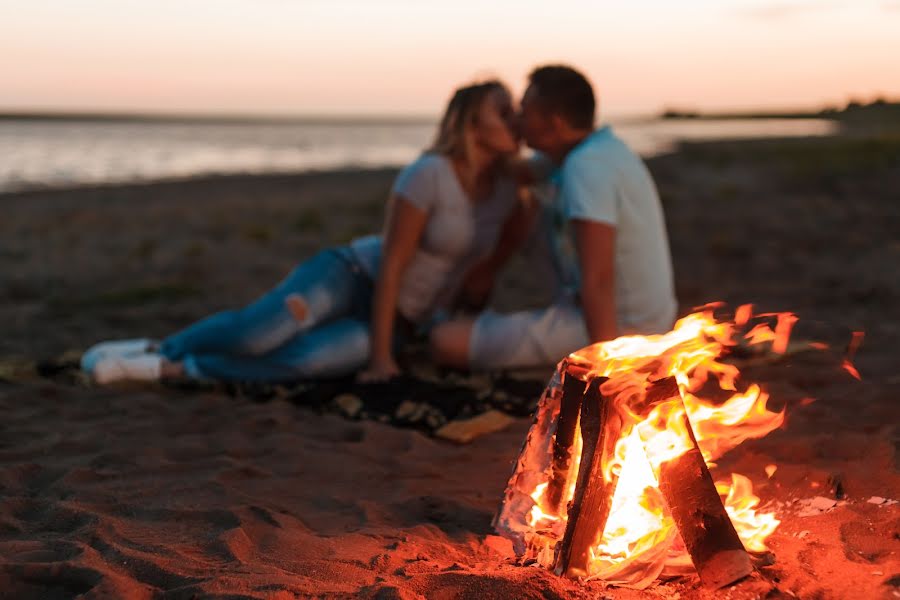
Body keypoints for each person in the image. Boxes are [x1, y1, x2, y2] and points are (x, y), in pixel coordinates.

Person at [82, 80, 527, 385]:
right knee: (255, 336)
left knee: (308, 360)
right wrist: (381, 359)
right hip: (351, 277)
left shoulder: (511, 189)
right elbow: (393, 262)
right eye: (504, 111)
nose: (517, 120)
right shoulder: (429, 173)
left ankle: (172, 369)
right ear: (471, 124)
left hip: (404, 320)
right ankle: (162, 345)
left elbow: (485, 265)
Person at [430, 65, 677, 370]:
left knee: (443, 341)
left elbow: (598, 280)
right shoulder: (597, 148)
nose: (517, 120)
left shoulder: (586, 167)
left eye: (524, 111)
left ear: (554, 123)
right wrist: (477, 142)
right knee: (531, 210)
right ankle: (480, 285)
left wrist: (610, 370)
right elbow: (518, 172)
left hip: (623, 327)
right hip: (648, 314)